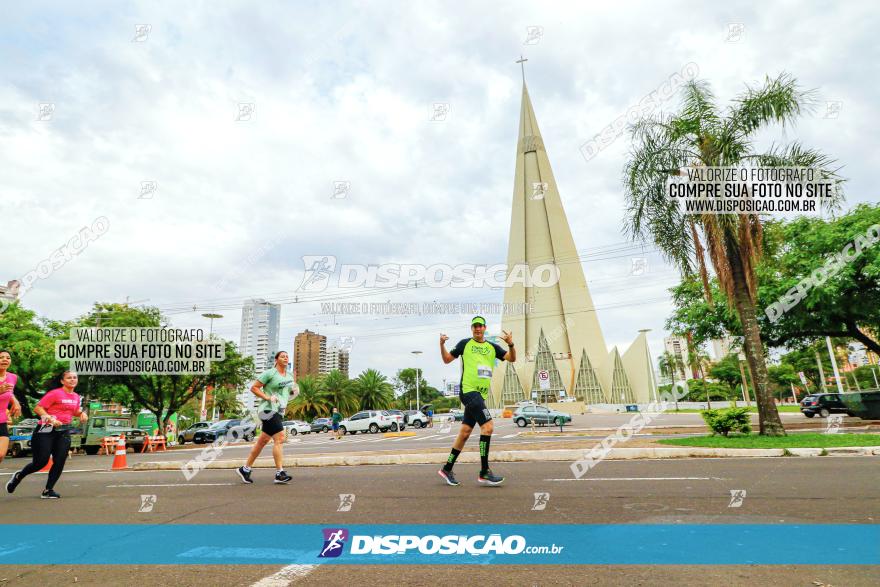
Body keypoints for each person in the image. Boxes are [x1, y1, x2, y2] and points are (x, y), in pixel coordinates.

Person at [438, 316, 515, 486]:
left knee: (465, 433)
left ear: (484, 328)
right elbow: (446, 360)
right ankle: (484, 471)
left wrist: (510, 344)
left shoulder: (492, 347)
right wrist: (441, 344)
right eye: (475, 326)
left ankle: (447, 468)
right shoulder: (465, 344)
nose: (478, 329)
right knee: (488, 427)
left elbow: (511, 358)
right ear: (472, 329)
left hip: (480, 396)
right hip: (468, 391)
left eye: (480, 326)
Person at [7, 370, 87, 498]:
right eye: (69, 378)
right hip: (46, 428)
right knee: (40, 462)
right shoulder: (55, 393)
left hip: (64, 431)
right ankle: (19, 476)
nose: (72, 380)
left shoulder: (76, 396)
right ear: (62, 381)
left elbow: (75, 411)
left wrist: (82, 414)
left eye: (75, 378)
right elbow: (38, 408)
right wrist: (50, 418)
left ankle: (48, 490)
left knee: (60, 460)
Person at [237, 351, 295, 484]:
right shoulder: (270, 373)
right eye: (282, 356)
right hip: (267, 410)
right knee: (280, 437)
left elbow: (288, 391)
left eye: (287, 356)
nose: (285, 358)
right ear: (276, 359)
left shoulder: (290, 375)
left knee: (262, 441)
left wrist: (293, 391)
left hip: (279, 411)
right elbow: (254, 388)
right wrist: (268, 397)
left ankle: (245, 469)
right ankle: (279, 473)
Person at [0, 350, 23, 465]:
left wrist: (15, 401)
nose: (5, 359)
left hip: (1, 419)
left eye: (7, 357)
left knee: (1, 454)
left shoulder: (12, 377)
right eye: (1, 357)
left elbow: (9, 392)